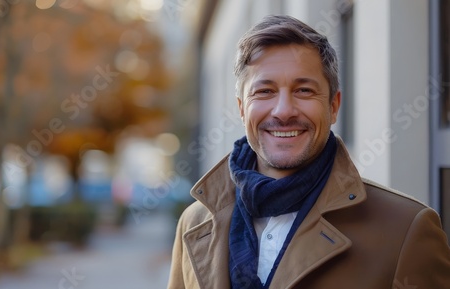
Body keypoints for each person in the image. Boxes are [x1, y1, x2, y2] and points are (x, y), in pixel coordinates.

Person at [167, 15, 450, 289]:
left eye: (303, 90)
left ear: (334, 106)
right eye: (264, 91)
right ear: (242, 108)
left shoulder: (404, 230)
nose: (283, 111)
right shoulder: (195, 223)